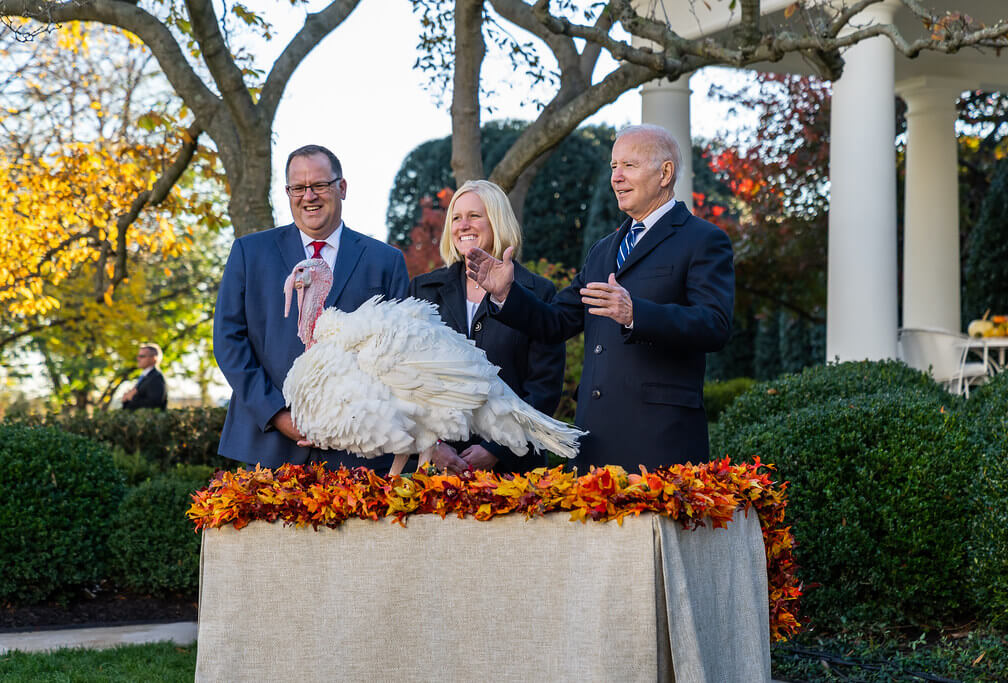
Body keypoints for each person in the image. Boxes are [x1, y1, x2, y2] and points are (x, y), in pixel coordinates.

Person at [465, 124, 734, 472]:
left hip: (660, 440)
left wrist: (636, 313)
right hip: (595, 441)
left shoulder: (703, 239)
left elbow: (714, 325)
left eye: (629, 166)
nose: (616, 178)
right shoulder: (603, 251)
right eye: (613, 167)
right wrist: (505, 294)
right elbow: (555, 322)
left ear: (665, 173)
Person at [214, 144, 410, 471]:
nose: (309, 196)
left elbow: (399, 353)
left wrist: (348, 420)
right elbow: (228, 340)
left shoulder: (385, 261)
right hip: (269, 447)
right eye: (298, 188)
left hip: (360, 449)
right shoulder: (250, 253)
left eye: (319, 185)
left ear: (342, 188)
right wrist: (276, 413)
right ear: (288, 192)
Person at [409, 180, 565, 474]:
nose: (463, 225)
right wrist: (433, 444)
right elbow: (408, 381)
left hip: (515, 473)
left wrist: (496, 449)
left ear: (497, 220)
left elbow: (544, 389)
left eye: (474, 216)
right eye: (456, 218)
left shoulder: (538, 292)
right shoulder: (423, 291)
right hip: (439, 472)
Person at [122, 342, 168, 410]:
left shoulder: (156, 377)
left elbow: (155, 405)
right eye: (138, 356)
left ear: (154, 358)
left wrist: (132, 398)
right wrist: (125, 400)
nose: (138, 359)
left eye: (142, 356)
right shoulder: (144, 377)